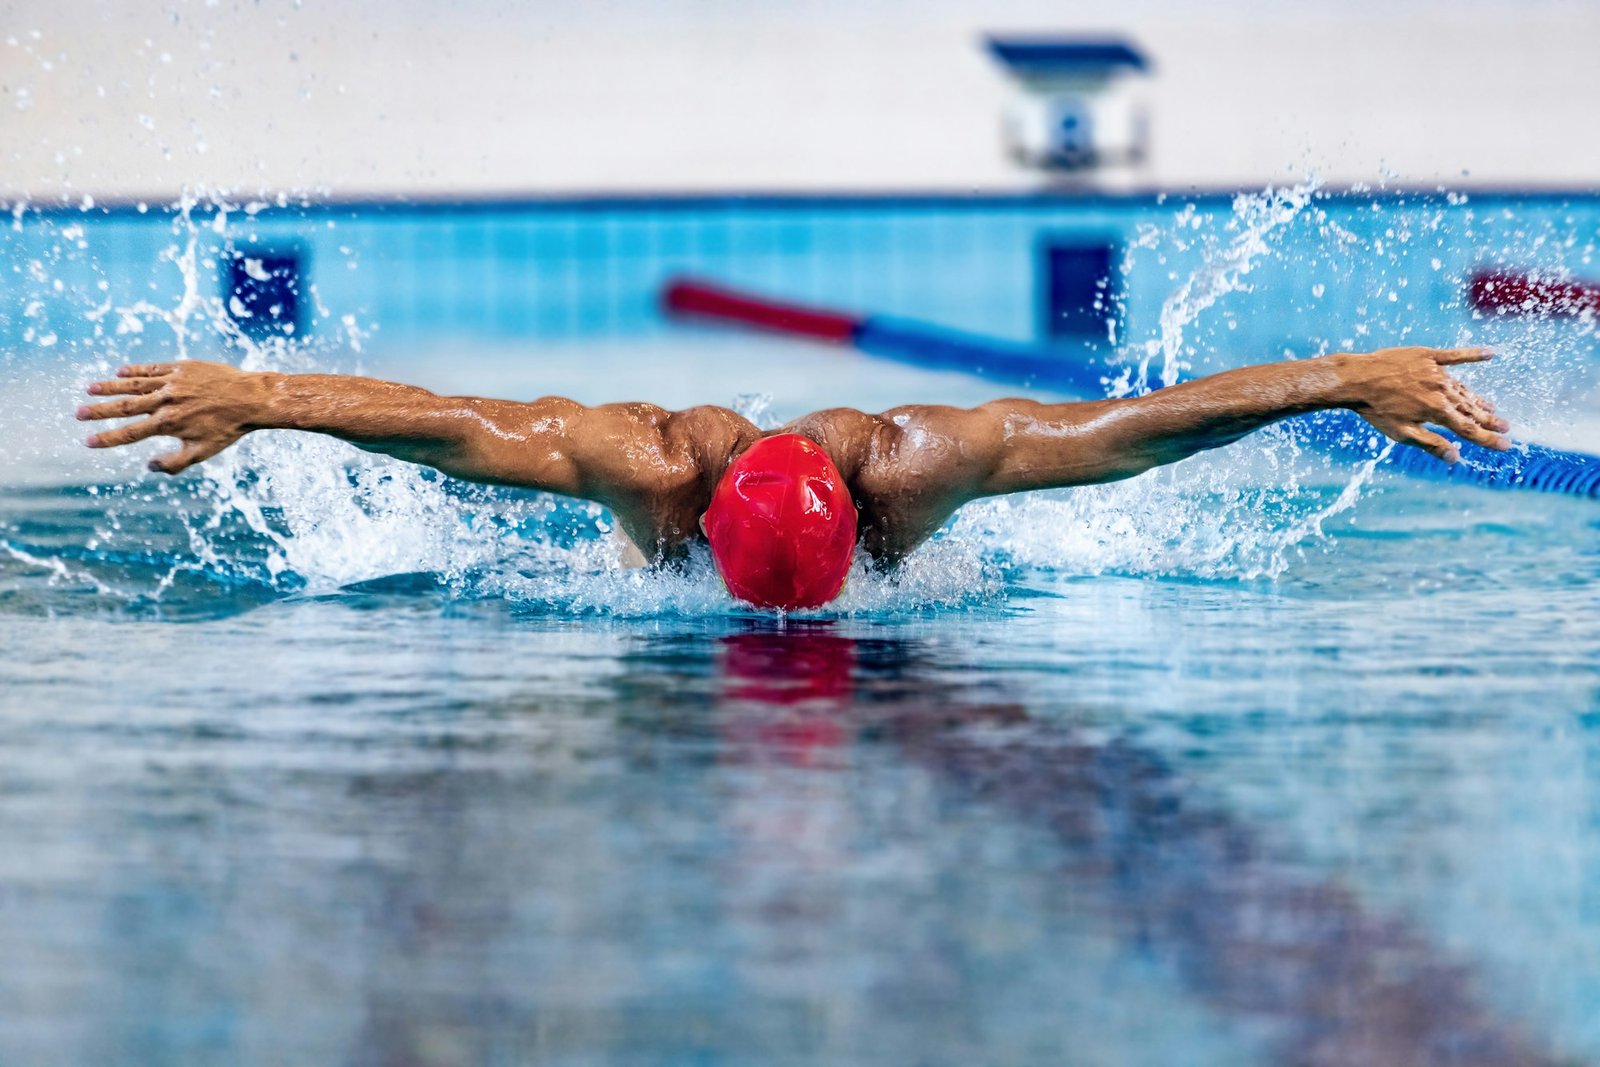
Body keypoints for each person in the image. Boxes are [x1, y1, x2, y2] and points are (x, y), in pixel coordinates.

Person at [76, 346, 1509, 609]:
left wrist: (1339, 380)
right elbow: (453, 423)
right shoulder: (642, 473)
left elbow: (1130, 429)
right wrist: (263, 402)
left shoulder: (917, 473)